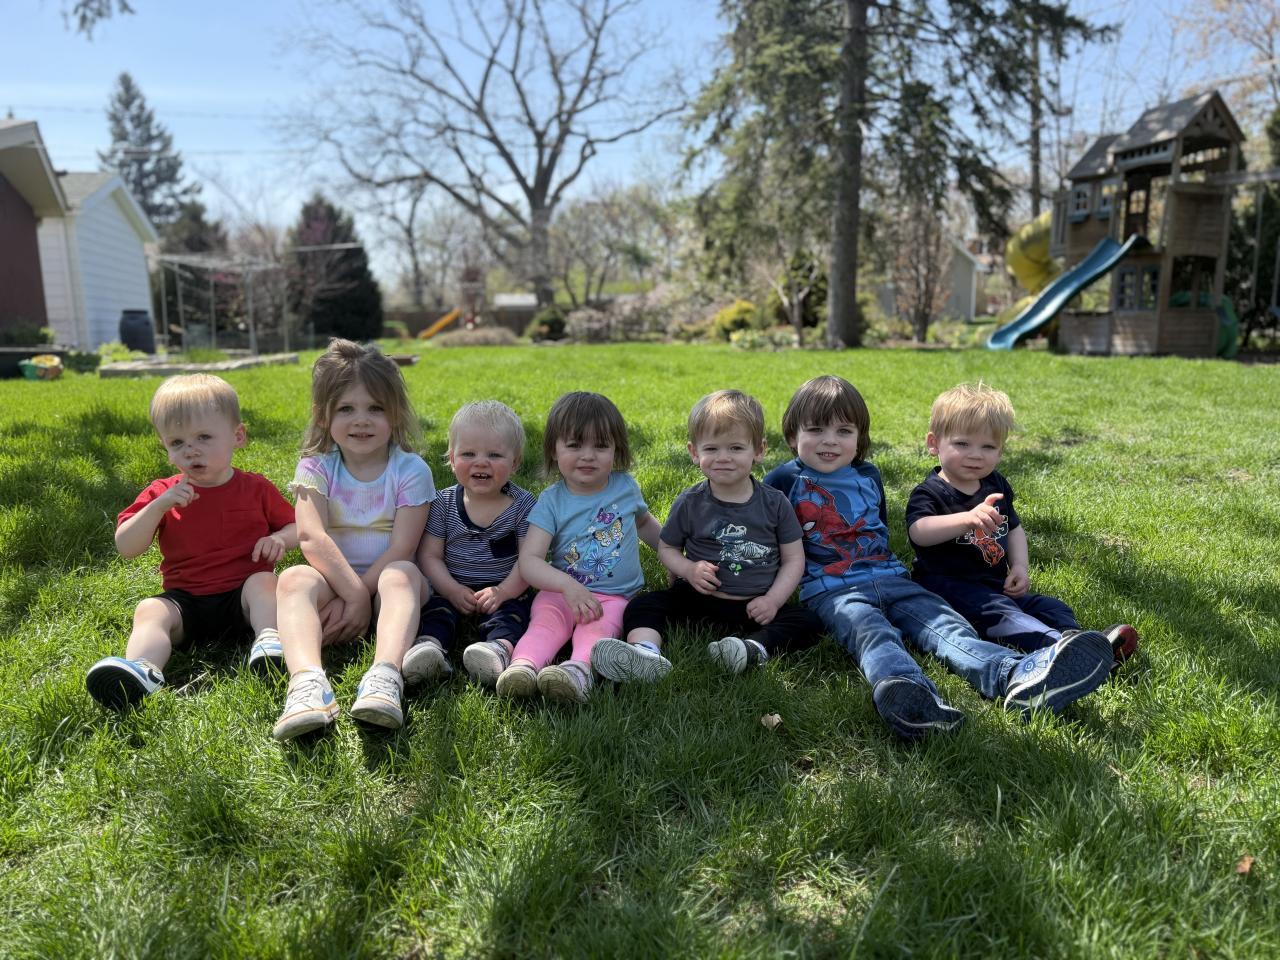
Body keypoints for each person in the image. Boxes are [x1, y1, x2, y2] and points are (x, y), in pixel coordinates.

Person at [763, 375, 1114, 739]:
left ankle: (1015, 675)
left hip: (891, 577)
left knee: (947, 627)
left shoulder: (868, 474)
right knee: (873, 634)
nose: (830, 441)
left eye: (844, 431)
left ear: (859, 438)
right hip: (832, 590)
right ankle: (907, 694)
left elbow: (877, 529)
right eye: (816, 430)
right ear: (792, 436)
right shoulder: (783, 480)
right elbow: (765, 534)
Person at [85, 374, 297, 710]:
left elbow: (297, 526)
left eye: (204, 437)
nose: (191, 450)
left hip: (242, 598)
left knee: (265, 583)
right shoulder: (162, 493)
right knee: (150, 609)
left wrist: (279, 538)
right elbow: (126, 547)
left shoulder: (255, 488)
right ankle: (143, 669)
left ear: (237, 436)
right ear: (165, 448)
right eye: (177, 442)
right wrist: (158, 507)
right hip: (186, 603)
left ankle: (270, 641)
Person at [592, 389, 822, 682]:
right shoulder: (691, 502)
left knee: (808, 621)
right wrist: (688, 569)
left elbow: (793, 559)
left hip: (755, 603)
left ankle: (750, 649)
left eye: (736, 448)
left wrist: (774, 601)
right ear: (694, 452)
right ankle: (645, 651)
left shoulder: (775, 503)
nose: (723, 458)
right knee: (643, 605)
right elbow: (667, 548)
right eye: (712, 449)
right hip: (698, 598)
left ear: (759, 450)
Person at [271, 339, 436, 741]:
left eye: (375, 408)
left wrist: (361, 598)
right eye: (346, 408)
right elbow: (311, 536)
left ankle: (385, 677)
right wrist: (352, 596)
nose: (361, 420)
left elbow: (402, 547)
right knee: (292, 579)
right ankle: (307, 683)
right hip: (335, 583)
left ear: (395, 414)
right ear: (323, 415)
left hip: (391, 589)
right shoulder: (315, 467)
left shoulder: (410, 469)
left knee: (401, 573)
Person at [906, 381, 1139, 662]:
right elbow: (919, 531)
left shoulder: (995, 484)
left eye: (988, 446)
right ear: (934, 444)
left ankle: (1078, 639)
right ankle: (1066, 651)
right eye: (962, 443)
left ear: (1000, 452)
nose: (976, 454)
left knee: (1052, 607)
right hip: (950, 590)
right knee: (1007, 618)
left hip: (995, 585)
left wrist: (1019, 566)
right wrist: (966, 519)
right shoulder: (930, 492)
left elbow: (1013, 528)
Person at [494, 391, 661, 703]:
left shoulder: (625, 487)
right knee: (544, 626)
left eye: (601, 446)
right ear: (554, 450)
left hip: (612, 597)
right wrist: (566, 586)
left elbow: (644, 524)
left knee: (597, 631)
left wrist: (672, 557)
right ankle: (522, 667)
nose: (588, 455)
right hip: (560, 593)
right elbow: (530, 561)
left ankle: (577, 672)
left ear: (617, 449)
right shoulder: (552, 501)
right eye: (574, 445)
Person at [406, 400, 537, 687]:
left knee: (513, 615)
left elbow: (529, 560)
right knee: (437, 612)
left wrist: (504, 591)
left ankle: (497, 650)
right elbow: (429, 556)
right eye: (469, 454)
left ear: (515, 462)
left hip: (506, 587)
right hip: (453, 585)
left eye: (494, 454)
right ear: (452, 459)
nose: (481, 462)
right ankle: (429, 648)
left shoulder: (523, 505)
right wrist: (451, 590)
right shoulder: (442, 503)